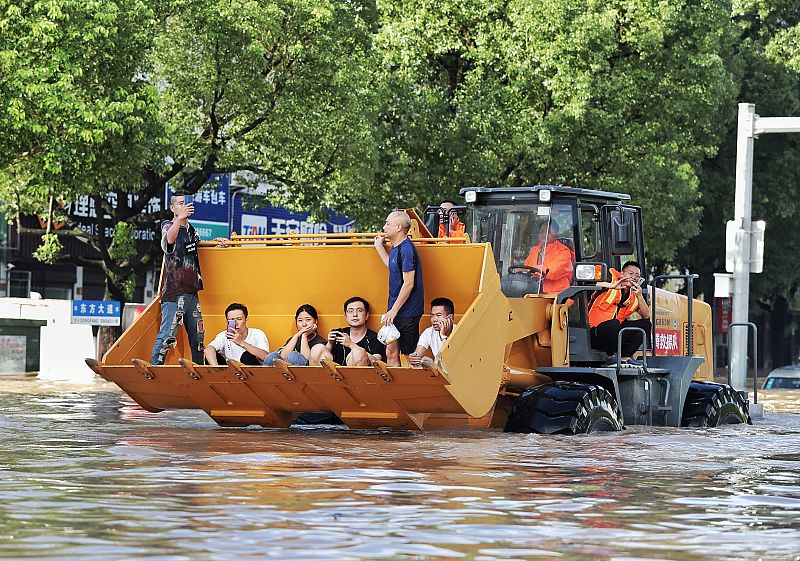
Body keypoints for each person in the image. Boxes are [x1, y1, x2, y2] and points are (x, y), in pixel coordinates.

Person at [150, 191, 228, 365]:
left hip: (192, 292)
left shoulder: (191, 229)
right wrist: (180, 218)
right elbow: (169, 240)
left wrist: (215, 241)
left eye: (186, 203)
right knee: (167, 335)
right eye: (180, 203)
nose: (184, 206)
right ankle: (155, 369)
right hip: (174, 292)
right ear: (172, 207)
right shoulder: (168, 225)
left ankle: (198, 369)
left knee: (198, 336)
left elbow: (197, 245)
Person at [374, 210, 424, 366]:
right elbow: (393, 266)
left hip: (407, 312)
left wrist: (394, 310)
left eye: (387, 223)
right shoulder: (396, 247)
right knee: (390, 352)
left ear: (398, 227)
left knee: (410, 356)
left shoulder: (407, 248)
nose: (384, 227)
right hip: (394, 310)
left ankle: (414, 387)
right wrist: (379, 248)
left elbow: (409, 283)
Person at [589, 260, 652, 366]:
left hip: (614, 335)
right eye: (630, 273)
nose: (633, 277)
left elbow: (646, 315)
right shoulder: (610, 280)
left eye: (637, 276)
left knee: (645, 324)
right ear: (622, 273)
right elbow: (591, 283)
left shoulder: (633, 296)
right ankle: (610, 357)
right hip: (595, 333)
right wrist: (612, 286)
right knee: (614, 323)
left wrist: (640, 296)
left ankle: (624, 357)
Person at [312, 297, 385, 366]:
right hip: (335, 375)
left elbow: (376, 361)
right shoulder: (338, 333)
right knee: (317, 348)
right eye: (350, 311)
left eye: (359, 310)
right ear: (346, 316)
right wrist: (330, 343)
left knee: (358, 353)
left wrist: (351, 345)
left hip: (361, 377)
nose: (355, 314)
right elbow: (321, 357)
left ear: (366, 315)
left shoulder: (374, 338)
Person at [204, 303, 270, 366]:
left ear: (246, 319)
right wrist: (215, 367)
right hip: (230, 373)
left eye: (239, 319)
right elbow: (208, 349)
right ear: (227, 322)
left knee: (247, 356)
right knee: (211, 355)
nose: (236, 323)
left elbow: (266, 357)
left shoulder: (257, 333)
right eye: (232, 320)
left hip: (253, 373)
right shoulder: (224, 335)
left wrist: (241, 343)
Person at [263, 304, 327, 366]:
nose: (304, 324)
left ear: (315, 321)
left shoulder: (320, 342)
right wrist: (297, 335)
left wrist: (304, 336)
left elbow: (308, 364)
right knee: (272, 356)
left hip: (308, 374)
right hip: (286, 375)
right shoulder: (293, 339)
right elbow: (283, 357)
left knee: (294, 356)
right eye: (300, 320)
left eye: (308, 320)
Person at [523, 221, 575, 294]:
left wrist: (530, 271)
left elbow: (551, 272)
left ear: (556, 235)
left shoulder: (563, 251)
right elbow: (526, 268)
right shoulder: (534, 250)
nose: (544, 234)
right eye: (542, 232)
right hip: (533, 292)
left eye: (548, 232)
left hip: (558, 295)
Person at [408, 297, 457, 367]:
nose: (434, 319)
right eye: (432, 315)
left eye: (438, 315)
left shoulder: (459, 331)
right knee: (417, 363)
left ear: (450, 318)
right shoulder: (428, 332)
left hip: (458, 370)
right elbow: (418, 353)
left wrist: (443, 336)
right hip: (440, 370)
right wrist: (414, 358)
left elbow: (451, 359)